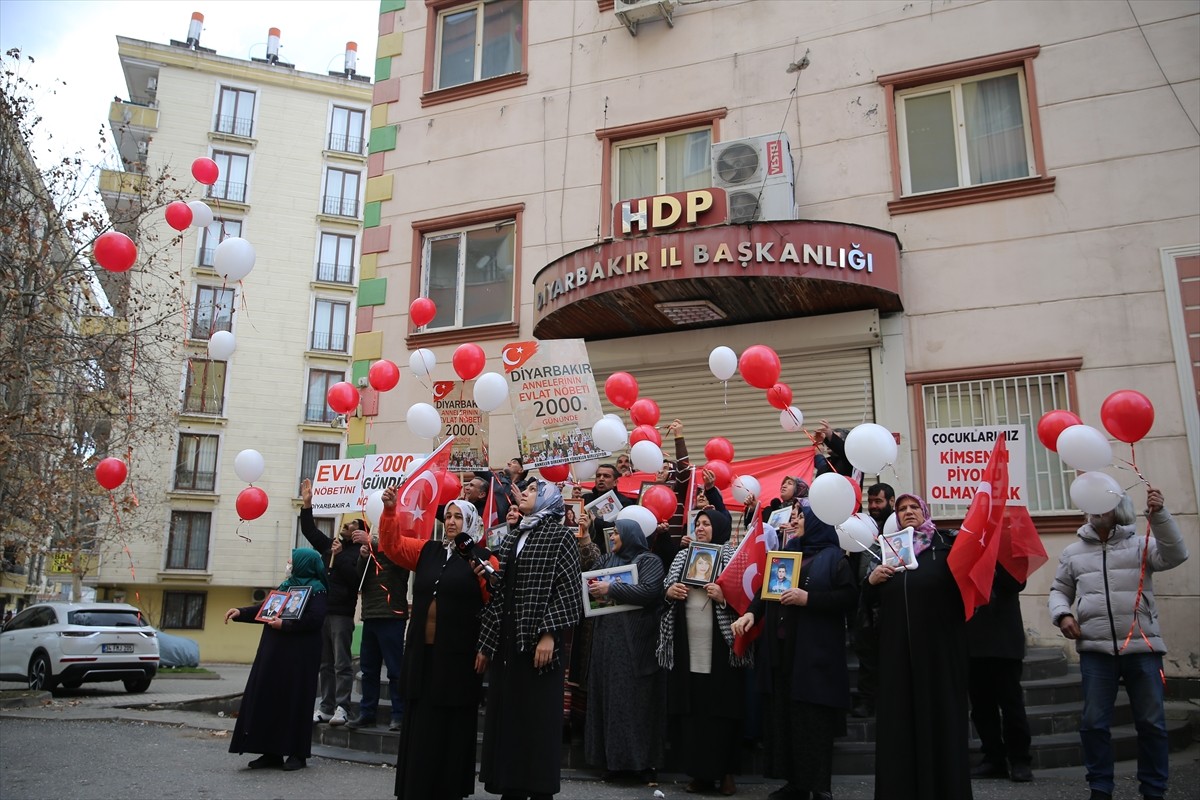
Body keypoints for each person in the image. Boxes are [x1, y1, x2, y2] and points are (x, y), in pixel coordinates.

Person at [1048, 487, 1187, 800]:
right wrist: (1063, 615)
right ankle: (1100, 787)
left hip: (1143, 649)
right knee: (1094, 724)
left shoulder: (1140, 545)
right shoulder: (1073, 552)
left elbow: (1176, 554)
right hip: (1096, 652)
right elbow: (1059, 591)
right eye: (1093, 507)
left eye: (1104, 506)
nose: (1097, 512)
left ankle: (1153, 790)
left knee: (1151, 724)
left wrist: (1160, 515)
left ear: (1118, 510)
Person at [376, 491, 498, 800]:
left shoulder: (483, 558)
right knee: (422, 722)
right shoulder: (427, 551)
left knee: (452, 725)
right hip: (423, 655)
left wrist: (485, 647)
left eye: (459, 517)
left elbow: (495, 605)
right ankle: (417, 785)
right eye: (449, 516)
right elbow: (392, 546)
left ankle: (447, 789)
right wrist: (390, 512)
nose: (452, 521)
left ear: (471, 522)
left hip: (459, 658)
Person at [733, 507, 856, 800]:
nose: (796, 520)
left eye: (802, 516)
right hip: (781, 654)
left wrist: (808, 599)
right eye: (797, 515)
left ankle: (819, 786)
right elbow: (768, 589)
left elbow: (850, 597)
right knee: (786, 720)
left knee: (812, 723)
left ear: (816, 523)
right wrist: (751, 614)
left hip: (814, 657)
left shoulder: (835, 558)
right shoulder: (787, 554)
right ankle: (796, 784)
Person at [476, 479, 584, 800]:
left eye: (533, 490)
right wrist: (486, 642)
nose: (524, 493)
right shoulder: (514, 536)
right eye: (525, 490)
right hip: (510, 645)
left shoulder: (561, 536)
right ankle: (510, 787)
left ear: (548, 500)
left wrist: (550, 634)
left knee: (537, 721)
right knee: (510, 718)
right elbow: (503, 594)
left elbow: (568, 590)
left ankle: (537, 790)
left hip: (539, 646)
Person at [861, 493, 972, 800]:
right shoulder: (887, 553)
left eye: (914, 507)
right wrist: (871, 582)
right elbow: (866, 608)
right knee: (900, 728)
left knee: (940, 724)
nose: (908, 512)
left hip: (938, 656)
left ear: (924, 512)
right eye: (902, 509)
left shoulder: (946, 547)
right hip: (897, 656)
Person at [659, 507, 747, 796]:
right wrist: (671, 591)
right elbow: (666, 585)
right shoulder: (684, 556)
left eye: (707, 524)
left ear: (719, 527)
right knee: (693, 714)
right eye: (698, 524)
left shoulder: (732, 556)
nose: (701, 528)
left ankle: (726, 774)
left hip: (722, 647)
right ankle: (700, 775)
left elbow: (745, 596)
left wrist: (724, 597)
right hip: (688, 647)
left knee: (722, 712)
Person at [225, 548, 328, 771]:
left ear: (303, 563)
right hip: (274, 653)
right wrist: (241, 612)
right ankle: (270, 751)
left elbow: (315, 619)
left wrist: (287, 625)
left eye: (292, 560)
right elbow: (267, 611)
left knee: (295, 700)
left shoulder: (318, 590)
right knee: (270, 697)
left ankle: (297, 753)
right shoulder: (286, 586)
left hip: (299, 656)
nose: (288, 563)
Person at [585, 519, 666, 784]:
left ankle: (640, 764)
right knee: (607, 701)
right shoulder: (607, 560)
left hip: (634, 645)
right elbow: (587, 583)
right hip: (606, 643)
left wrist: (611, 588)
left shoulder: (649, 561)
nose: (613, 537)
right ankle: (613, 763)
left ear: (631, 535)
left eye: (618, 533)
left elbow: (650, 591)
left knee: (634, 705)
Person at [299, 480, 360, 727]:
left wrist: (340, 556)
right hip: (323, 611)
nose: (346, 525)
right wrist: (307, 505)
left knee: (342, 663)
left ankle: (342, 707)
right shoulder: (330, 546)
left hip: (342, 615)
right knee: (324, 663)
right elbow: (309, 531)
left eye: (352, 523)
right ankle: (325, 706)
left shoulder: (359, 552)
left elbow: (356, 579)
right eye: (346, 523)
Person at [968, 563, 1033, 782]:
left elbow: (1017, 583)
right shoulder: (966, 544)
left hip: (1005, 639)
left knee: (1011, 704)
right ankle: (993, 757)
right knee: (981, 707)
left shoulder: (1009, 549)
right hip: (974, 638)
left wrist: (995, 561)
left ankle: (1020, 759)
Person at [347, 514, 410, 732]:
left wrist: (371, 542)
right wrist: (364, 556)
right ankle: (367, 713)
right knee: (369, 670)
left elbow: (397, 557)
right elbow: (360, 578)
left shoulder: (397, 548)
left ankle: (399, 714)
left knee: (394, 670)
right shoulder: (371, 550)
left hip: (392, 616)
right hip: (371, 616)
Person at [851, 482, 894, 718]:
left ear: (890, 501)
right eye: (871, 502)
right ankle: (867, 700)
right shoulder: (864, 527)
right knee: (866, 653)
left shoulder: (898, 526)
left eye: (878, 501)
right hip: (865, 598)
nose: (874, 506)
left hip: (890, 600)